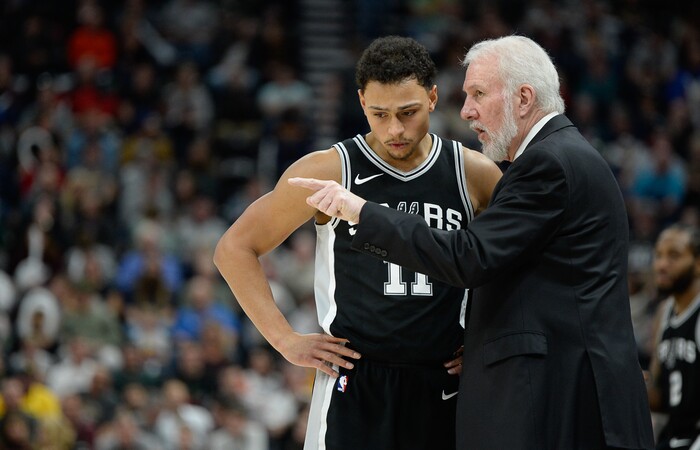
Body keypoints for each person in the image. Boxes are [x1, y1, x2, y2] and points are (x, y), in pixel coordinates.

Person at [290, 35, 655, 450]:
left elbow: (471, 256)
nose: (466, 111)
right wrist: (286, 340)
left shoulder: (545, 164)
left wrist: (361, 212)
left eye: (478, 94)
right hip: (385, 385)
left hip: (563, 396)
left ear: (523, 98)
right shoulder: (561, 156)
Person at [214, 35, 502, 450]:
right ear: (361, 101)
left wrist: (484, 339)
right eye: (380, 113)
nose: (395, 129)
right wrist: (284, 340)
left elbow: (512, 264)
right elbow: (234, 248)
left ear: (434, 98)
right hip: (355, 378)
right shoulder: (330, 169)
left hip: (445, 381)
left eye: (408, 112)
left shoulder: (473, 172)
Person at [647, 224, 700, 450]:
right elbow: (661, 397)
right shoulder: (664, 312)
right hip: (674, 437)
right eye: (658, 255)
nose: (661, 265)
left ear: (698, 264)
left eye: (674, 256)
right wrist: (628, 384)